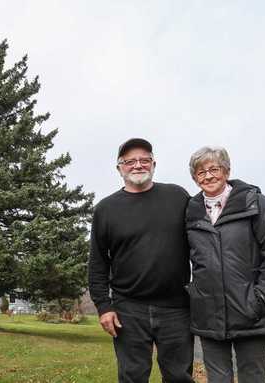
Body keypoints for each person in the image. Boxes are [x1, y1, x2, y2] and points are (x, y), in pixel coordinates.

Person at [88, 138, 194, 383]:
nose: (138, 165)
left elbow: (202, 242)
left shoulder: (177, 197)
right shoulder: (106, 209)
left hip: (176, 308)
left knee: (179, 377)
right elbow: (98, 264)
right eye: (130, 161)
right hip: (128, 309)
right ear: (120, 168)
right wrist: (104, 307)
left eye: (144, 160)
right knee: (132, 377)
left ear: (153, 164)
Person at [185, 146, 265, 383]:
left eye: (214, 169)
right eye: (201, 172)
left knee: (252, 377)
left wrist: (261, 299)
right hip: (208, 314)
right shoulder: (190, 211)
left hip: (251, 312)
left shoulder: (257, 203)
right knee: (218, 379)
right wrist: (194, 294)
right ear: (195, 178)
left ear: (227, 170)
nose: (208, 176)